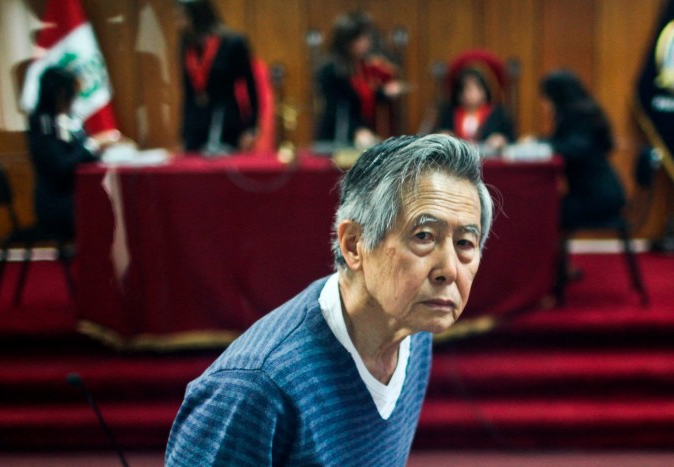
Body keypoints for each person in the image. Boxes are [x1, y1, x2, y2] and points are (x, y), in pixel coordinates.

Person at [165, 134, 494, 465]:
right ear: (354, 245)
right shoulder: (253, 390)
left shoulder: (413, 331)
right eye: (423, 237)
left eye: (466, 242)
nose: (449, 270)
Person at [26, 66, 112, 238]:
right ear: (59, 95)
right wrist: (92, 145)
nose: (74, 99)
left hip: (77, 195)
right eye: (71, 94)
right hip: (58, 202)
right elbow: (60, 168)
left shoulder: (70, 120)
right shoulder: (43, 126)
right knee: (108, 214)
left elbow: (83, 154)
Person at [539, 69, 626, 230]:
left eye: (546, 98)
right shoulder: (580, 113)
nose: (545, 104)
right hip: (593, 193)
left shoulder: (578, 116)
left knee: (542, 209)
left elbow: (575, 149)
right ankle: (553, 255)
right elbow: (561, 142)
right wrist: (540, 142)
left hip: (598, 197)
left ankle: (547, 255)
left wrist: (541, 147)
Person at [314, 11, 405, 150]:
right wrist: (357, 130)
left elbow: (364, 97)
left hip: (361, 134)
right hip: (337, 137)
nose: (367, 42)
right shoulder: (331, 70)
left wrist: (384, 93)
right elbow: (337, 107)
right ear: (347, 41)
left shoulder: (361, 65)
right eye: (362, 38)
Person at [178, 0, 259, 153]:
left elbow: (250, 87)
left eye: (182, 17)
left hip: (226, 119)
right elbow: (188, 92)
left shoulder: (233, 43)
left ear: (197, 15)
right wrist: (184, 133)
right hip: (196, 123)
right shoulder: (186, 44)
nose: (179, 23)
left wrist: (251, 128)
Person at [436, 61, 515, 154]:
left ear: (484, 90)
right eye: (465, 88)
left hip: (489, 161)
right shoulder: (449, 113)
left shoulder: (498, 113)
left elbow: (511, 139)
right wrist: (442, 136)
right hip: (457, 162)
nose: (469, 93)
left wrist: (501, 140)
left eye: (475, 88)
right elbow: (440, 135)